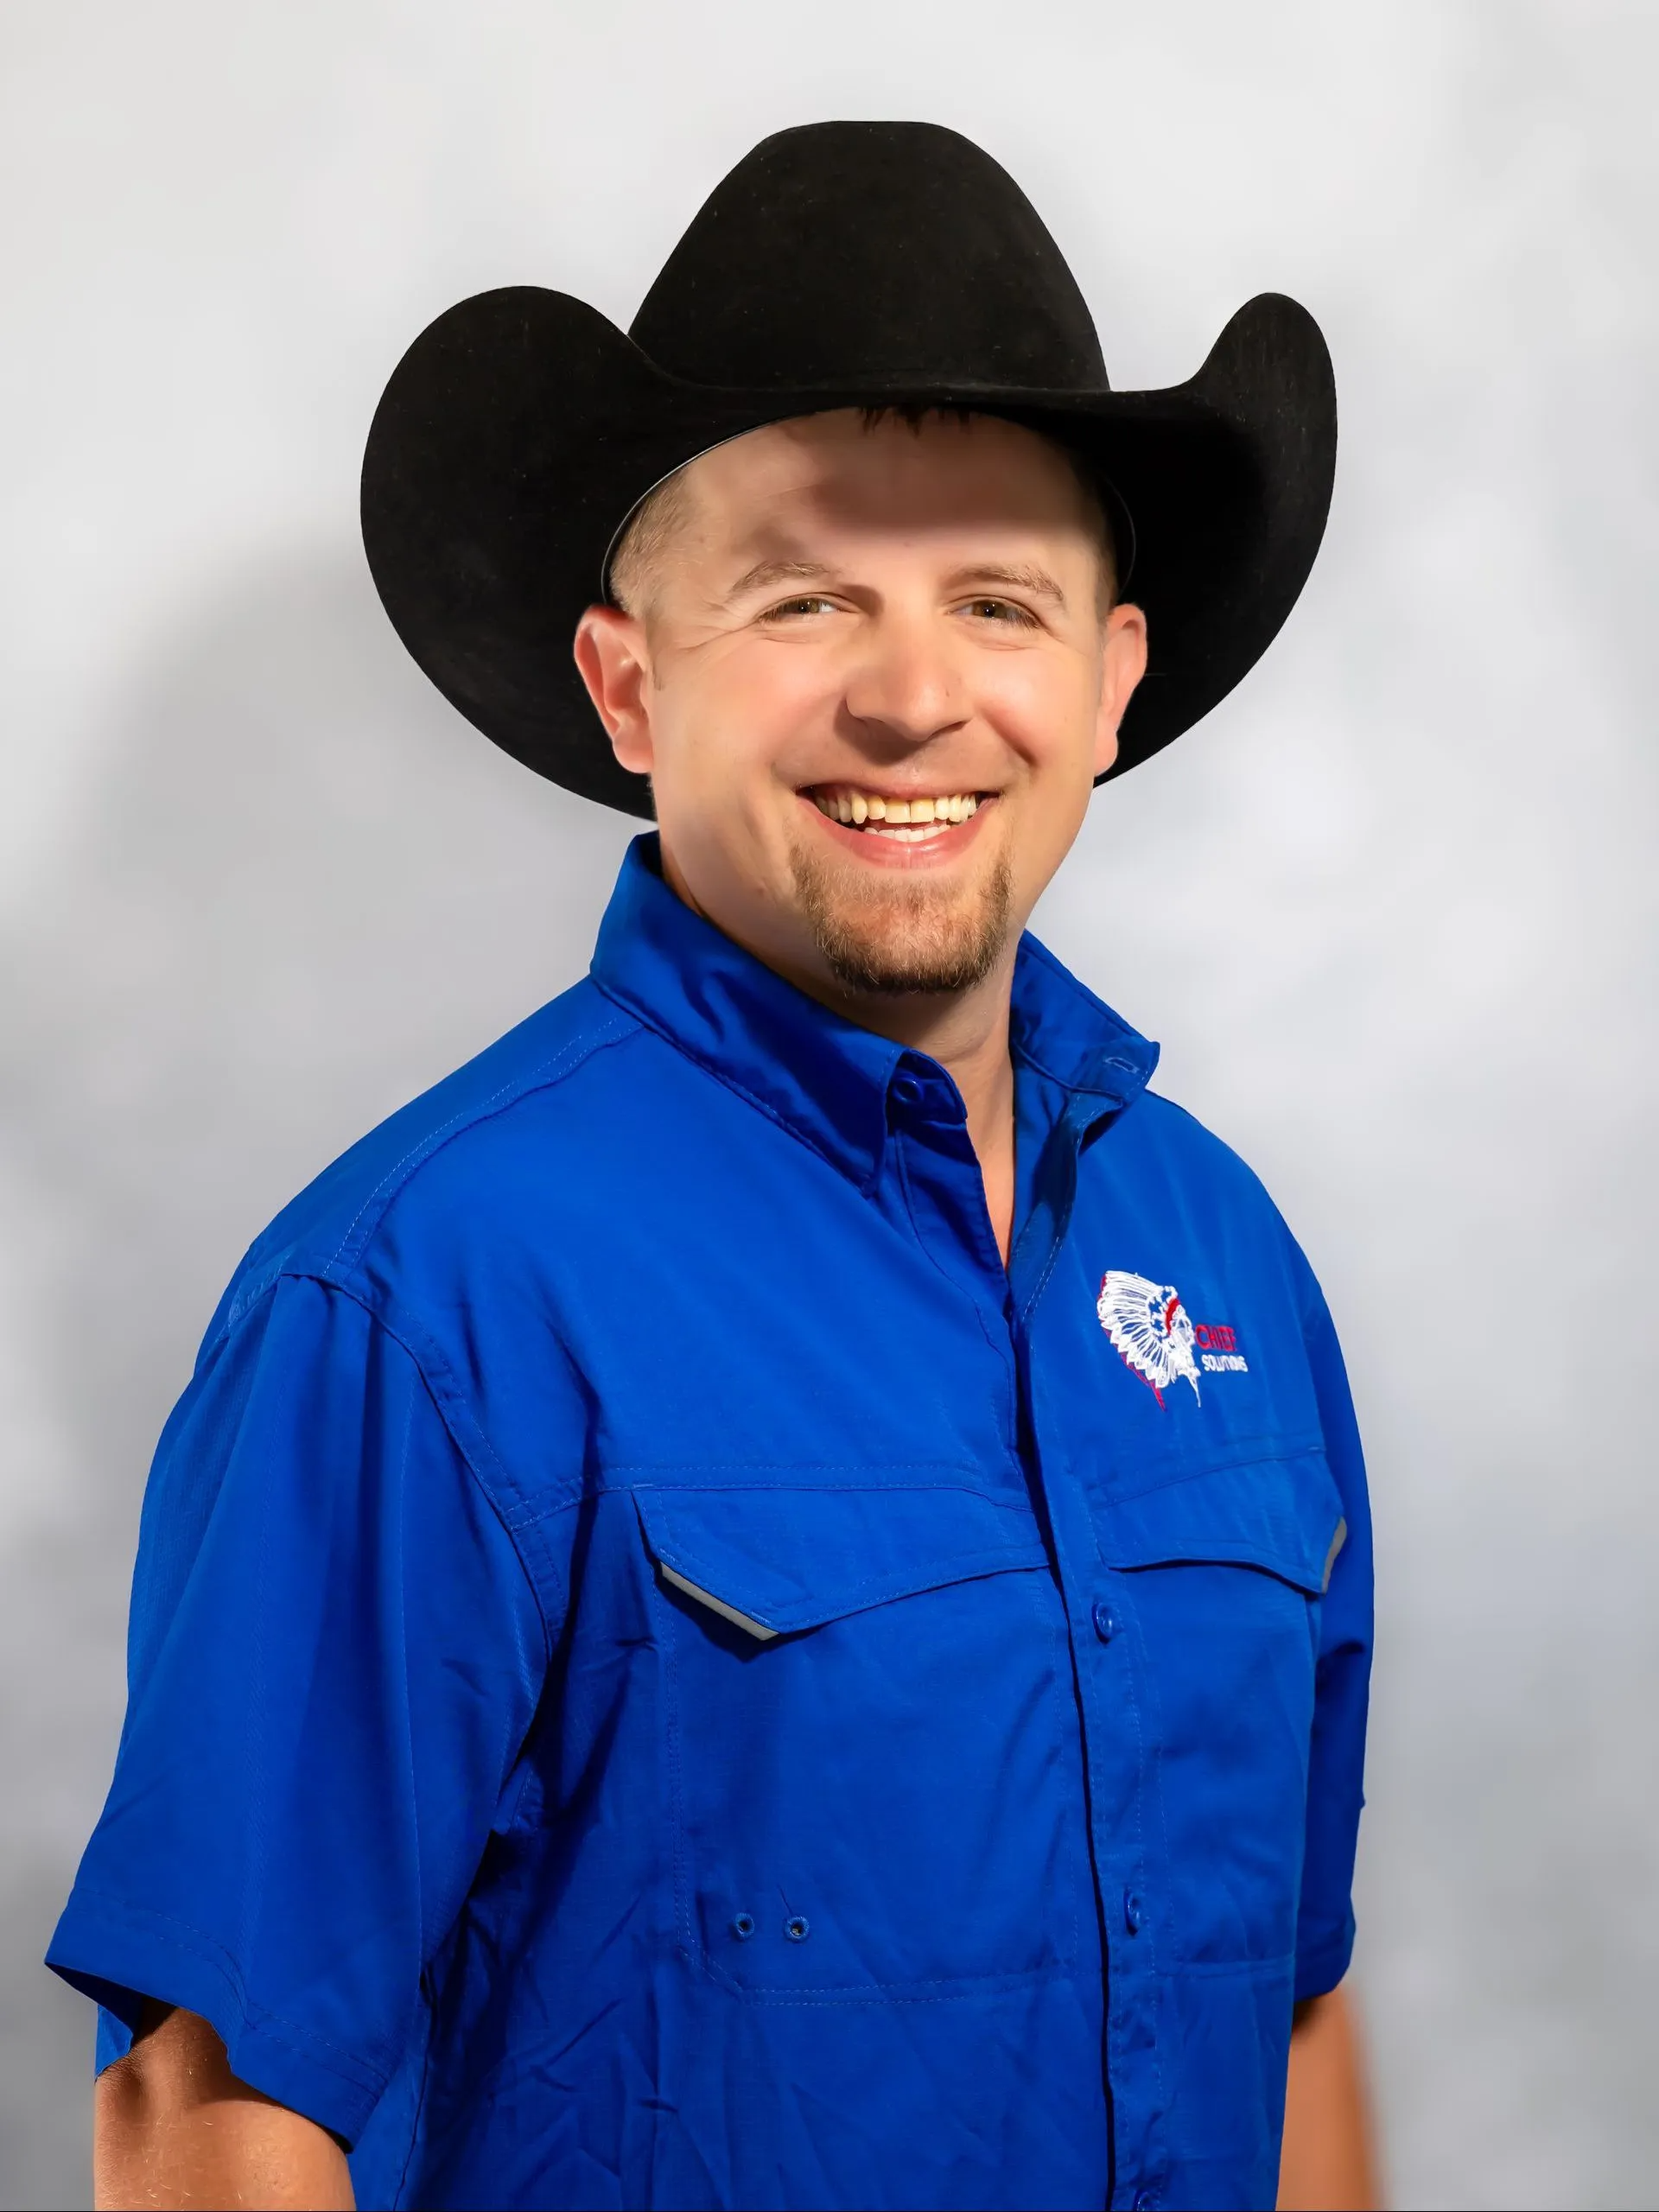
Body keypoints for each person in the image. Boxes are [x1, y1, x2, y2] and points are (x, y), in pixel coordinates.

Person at [49, 121, 1379, 2211]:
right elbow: (212, 2111)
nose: (914, 692)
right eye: (804, 593)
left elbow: (1291, 2000)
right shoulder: (421, 1299)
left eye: (1000, 599)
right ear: (625, 683)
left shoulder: (1225, 1260)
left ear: (1107, 684)